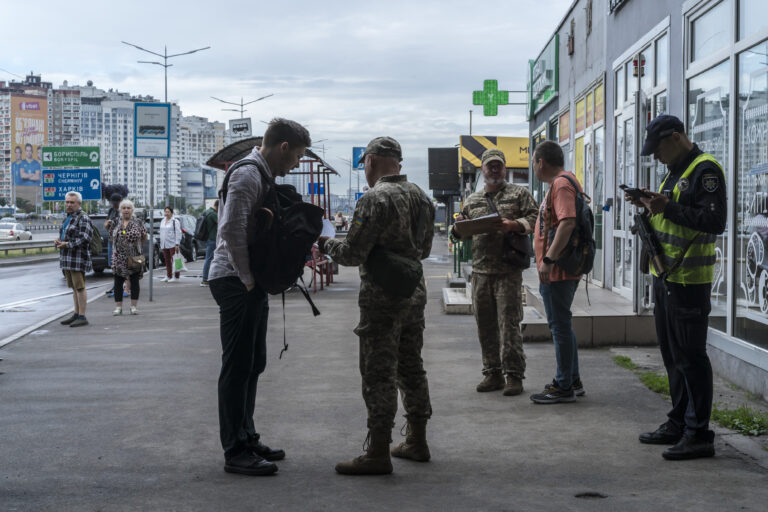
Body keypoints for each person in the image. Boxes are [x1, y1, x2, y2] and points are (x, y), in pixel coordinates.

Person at [318, 136, 435, 475]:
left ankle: (378, 452)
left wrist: (327, 243)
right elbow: (424, 251)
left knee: (378, 372)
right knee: (411, 367)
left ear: (370, 161)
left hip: (382, 299)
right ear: (397, 162)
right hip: (414, 293)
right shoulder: (422, 199)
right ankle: (417, 440)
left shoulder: (374, 199)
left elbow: (353, 253)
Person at [208, 118, 310, 476]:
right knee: (237, 366)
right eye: (296, 156)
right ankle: (234, 449)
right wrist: (250, 281)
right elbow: (231, 230)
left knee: (254, 363)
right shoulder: (248, 174)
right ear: (283, 147)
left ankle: (247, 435)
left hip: (247, 282)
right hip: (236, 281)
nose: (296, 163)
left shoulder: (262, 174)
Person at [628, 115, 726, 460]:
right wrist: (648, 204)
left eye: (658, 149)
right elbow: (674, 214)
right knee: (672, 356)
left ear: (676, 137)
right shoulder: (675, 171)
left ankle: (698, 433)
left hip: (688, 281)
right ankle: (679, 422)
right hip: (666, 275)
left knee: (690, 357)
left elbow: (714, 221)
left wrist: (666, 207)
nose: (655, 157)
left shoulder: (705, 170)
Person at [450, 148, 538, 396]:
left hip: (507, 272)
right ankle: (492, 373)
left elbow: (536, 218)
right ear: (483, 170)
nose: (495, 169)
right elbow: (458, 230)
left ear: (505, 167)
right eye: (490, 166)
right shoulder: (473, 200)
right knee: (485, 326)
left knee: (509, 325)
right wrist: (457, 228)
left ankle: (514, 376)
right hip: (480, 272)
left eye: (499, 165)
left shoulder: (519, 194)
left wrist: (515, 225)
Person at [529, 140, 586, 404]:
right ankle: (571, 379)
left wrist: (548, 260)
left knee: (559, 326)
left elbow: (567, 223)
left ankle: (563, 386)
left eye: (533, 162)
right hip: (560, 268)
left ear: (541, 162)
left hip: (558, 270)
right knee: (563, 324)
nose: (533, 167)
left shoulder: (561, 183)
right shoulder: (565, 181)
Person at [55, 191, 93, 328]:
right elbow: (67, 236)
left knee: (80, 287)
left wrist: (68, 244)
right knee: (74, 288)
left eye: (72, 202)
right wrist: (59, 241)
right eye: (67, 202)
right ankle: (76, 314)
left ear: (79, 204)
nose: (69, 205)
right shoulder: (68, 218)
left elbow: (85, 238)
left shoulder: (83, 218)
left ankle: (82, 316)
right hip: (67, 258)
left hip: (78, 258)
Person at [110, 199, 147, 315]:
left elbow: (144, 236)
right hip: (118, 258)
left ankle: (133, 307)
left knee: (134, 281)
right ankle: (118, 308)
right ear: (120, 210)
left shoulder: (138, 222)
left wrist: (137, 247)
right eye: (124, 208)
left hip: (134, 257)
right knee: (118, 282)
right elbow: (111, 236)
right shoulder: (116, 222)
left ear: (132, 210)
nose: (126, 210)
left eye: (128, 208)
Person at [104, 193, 123, 297]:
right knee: (113, 264)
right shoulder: (111, 211)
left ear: (120, 201)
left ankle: (122, 285)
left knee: (121, 264)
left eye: (115, 203)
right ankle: (116, 285)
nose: (114, 205)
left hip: (120, 241)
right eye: (112, 203)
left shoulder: (124, 210)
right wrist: (107, 224)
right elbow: (106, 224)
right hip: (111, 240)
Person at [159, 206, 182, 282]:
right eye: (165, 212)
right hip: (165, 244)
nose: (166, 213)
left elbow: (178, 233)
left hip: (173, 244)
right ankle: (168, 276)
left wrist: (177, 244)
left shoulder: (175, 221)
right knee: (167, 261)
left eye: (168, 212)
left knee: (175, 260)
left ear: (171, 213)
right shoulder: (162, 221)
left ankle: (176, 277)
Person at [200, 199, 219, 287]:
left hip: (208, 239)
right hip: (212, 239)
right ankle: (205, 280)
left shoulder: (207, 212)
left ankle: (208, 278)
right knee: (209, 259)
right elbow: (221, 223)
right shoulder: (213, 214)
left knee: (210, 259)